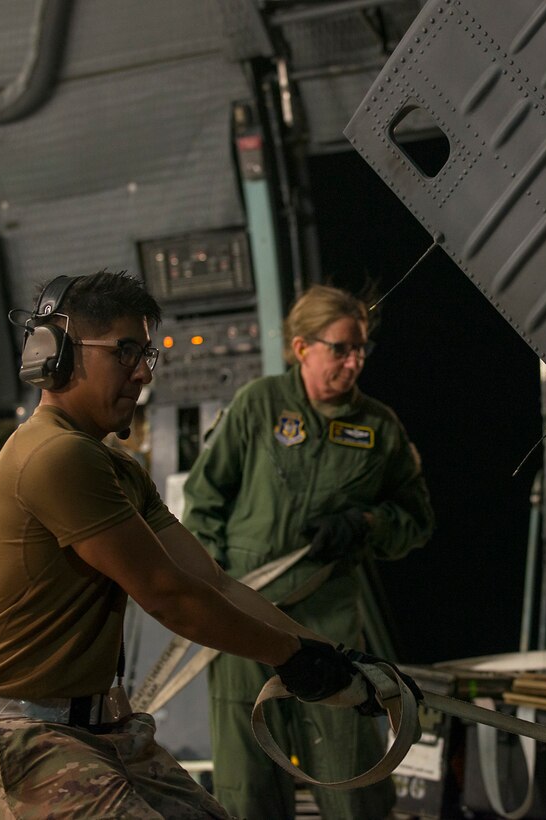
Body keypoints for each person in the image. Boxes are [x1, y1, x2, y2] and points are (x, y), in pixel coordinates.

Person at [0, 271, 398, 819]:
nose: (141, 374)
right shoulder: (55, 455)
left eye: (146, 355)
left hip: (96, 728)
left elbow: (212, 581)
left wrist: (334, 659)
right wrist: (291, 657)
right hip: (16, 734)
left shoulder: (115, 467)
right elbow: (170, 597)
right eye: (124, 353)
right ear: (55, 353)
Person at [181, 283, 435, 819]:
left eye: (361, 349)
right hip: (243, 623)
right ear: (302, 348)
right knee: (247, 787)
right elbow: (203, 503)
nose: (354, 361)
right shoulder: (258, 406)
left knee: (350, 777)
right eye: (340, 348)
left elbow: (416, 522)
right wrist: (213, 589)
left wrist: (367, 523)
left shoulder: (379, 428)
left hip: (328, 627)